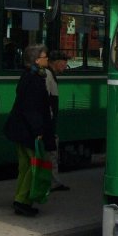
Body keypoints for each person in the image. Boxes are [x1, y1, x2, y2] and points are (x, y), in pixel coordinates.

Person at [3, 44, 55, 217]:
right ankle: (23, 201)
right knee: (34, 167)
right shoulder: (34, 79)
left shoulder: (28, 76)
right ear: (37, 60)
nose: (47, 59)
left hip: (20, 130)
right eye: (45, 56)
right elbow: (31, 108)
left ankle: (19, 198)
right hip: (29, 132)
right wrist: (38, 130)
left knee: (25, 166)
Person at [45, 51, 70, 192]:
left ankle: (54, 181)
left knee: (51, 153)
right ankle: (52, 182)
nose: (66, 66)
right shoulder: (48, 75)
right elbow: (47, 100)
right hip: (49, 123)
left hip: (49, 122)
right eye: (64, 62)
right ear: (56, 62)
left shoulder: (50, 75)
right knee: (51, 152)